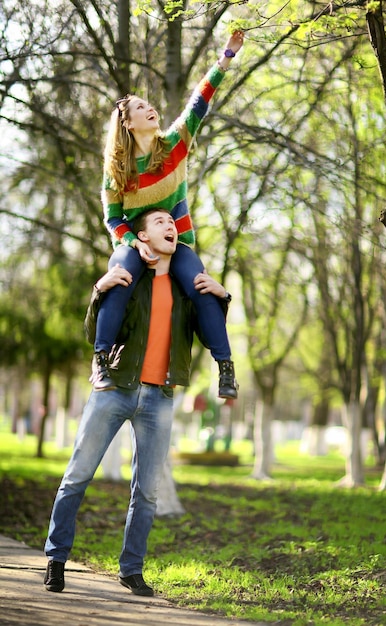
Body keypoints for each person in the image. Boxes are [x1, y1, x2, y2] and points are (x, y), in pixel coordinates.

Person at [43, 208, 232, 596]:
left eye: (172, 223)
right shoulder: (130, 278)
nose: (170, 227)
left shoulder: (184, 286)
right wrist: (100, 290)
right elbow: (93, 332)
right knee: (77, 476)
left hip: (160, 397)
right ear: (142, 237)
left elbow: (205, 332)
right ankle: (56, 559)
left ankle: (131, 569)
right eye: (160, 222)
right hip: (115, 387)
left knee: (147, 491)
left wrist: (222, 297)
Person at [93, 31, 245, 399]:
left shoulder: (175, 144)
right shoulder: (117, 171)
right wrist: (133, 242)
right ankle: (101, 360)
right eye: (141, 107)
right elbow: (112, 218)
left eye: (150, 104)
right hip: (134, 242)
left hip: (177, 241)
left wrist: (225, 58)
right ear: (127, 123)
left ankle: (226, 368)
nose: (150, 108)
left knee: (202, 286)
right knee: (120, 277)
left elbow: (198, 103)